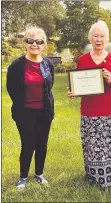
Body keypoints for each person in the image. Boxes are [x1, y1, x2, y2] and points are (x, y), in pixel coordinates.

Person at [68, 20, 111, 189]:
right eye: (95, 36)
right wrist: (73, 92)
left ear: (106, 39)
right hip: (89, 112)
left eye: (102, 36)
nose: (98, 39)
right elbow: (79, 85)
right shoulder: (83, 60)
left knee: (110, 146)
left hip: (110, 112)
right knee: (92, 145)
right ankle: (93, 176)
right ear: (90, 38)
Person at [6, 25, 54, 190]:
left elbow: (50, 84)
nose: (35, 44)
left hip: (45, 111)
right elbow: (11, 89)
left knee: (42, 143)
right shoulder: (16, 66)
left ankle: (39, 174)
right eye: (30, 40)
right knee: (28, 143)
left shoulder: (48, 64)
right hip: (24, 112)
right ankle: (23, 178)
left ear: (44, 44)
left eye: (39, 41)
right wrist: (22, 104)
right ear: (25, 42)